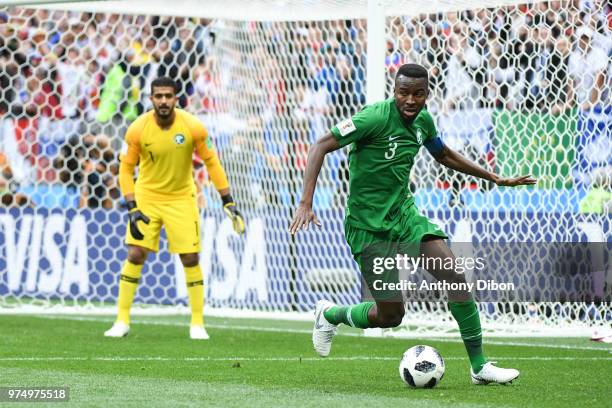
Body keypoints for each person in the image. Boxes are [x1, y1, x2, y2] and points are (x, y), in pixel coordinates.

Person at [289, 64, 535, 384]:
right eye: (404, 92)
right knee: (391, 315)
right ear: (394, 91)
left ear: (427, 95)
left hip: (404, 216)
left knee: (454, 274)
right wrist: (306, 202)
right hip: (367, 225)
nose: (410, 100)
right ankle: (330, 314)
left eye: (418, 94)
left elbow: (442, 154)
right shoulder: (373, 118)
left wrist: (493, 177)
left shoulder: (423, 121)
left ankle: (479, 366)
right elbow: (321, 144)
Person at [104, 77, 245, 340]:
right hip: (147, 197)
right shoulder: (137, 129)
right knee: (135, 254)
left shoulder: (193, 127)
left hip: (182, 198)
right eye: (158, 96)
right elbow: (125, 168)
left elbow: (212, 162)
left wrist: (228, 200)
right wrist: (132, 206)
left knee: (190, 257)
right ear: (151, 99)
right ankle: (121, 320)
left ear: (176, 98)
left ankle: (197, 323)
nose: (164, 101)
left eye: (168, 96)